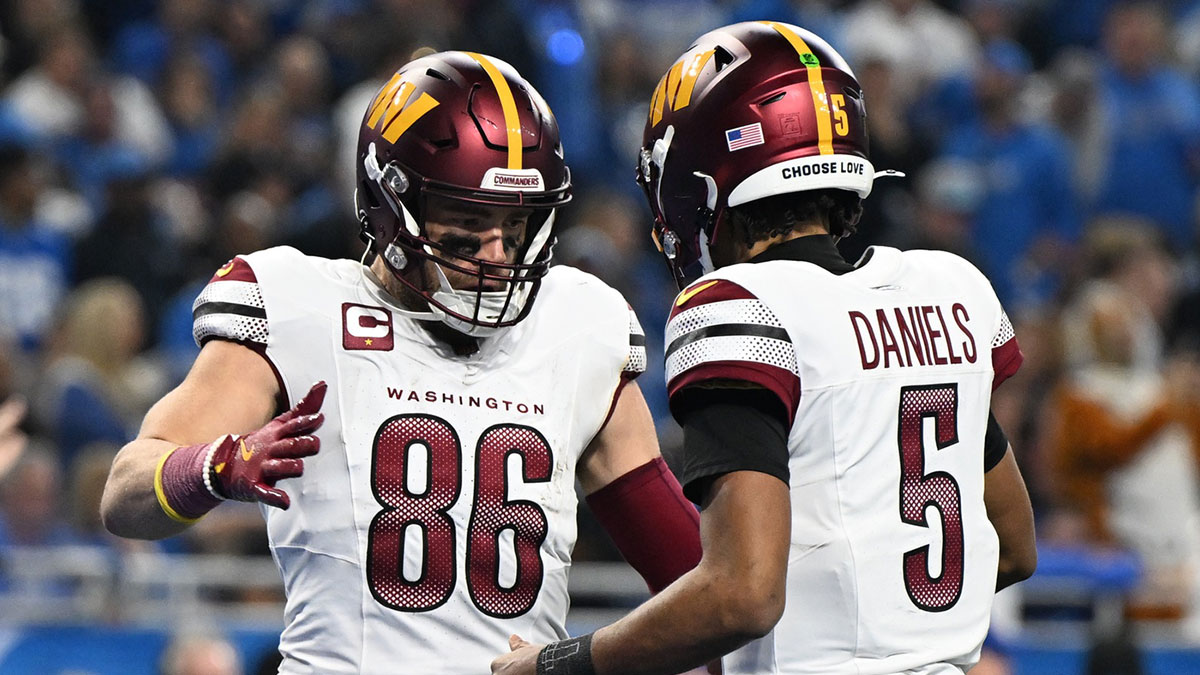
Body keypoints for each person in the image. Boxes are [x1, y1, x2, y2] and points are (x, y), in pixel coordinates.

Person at [100, 51, 703, 674]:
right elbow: (124, 495)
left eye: (516, 224)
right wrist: (214, 467)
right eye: (468, 224)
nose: (497, 253)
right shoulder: (298, 305)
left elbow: (687, 566)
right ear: (390, 202)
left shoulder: (579, 322)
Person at [493, 21, 1037, 675]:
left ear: (705, 176)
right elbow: (1013, 547)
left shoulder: (737, 308)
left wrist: (557, 664)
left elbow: (741, 595)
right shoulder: (949, 286)